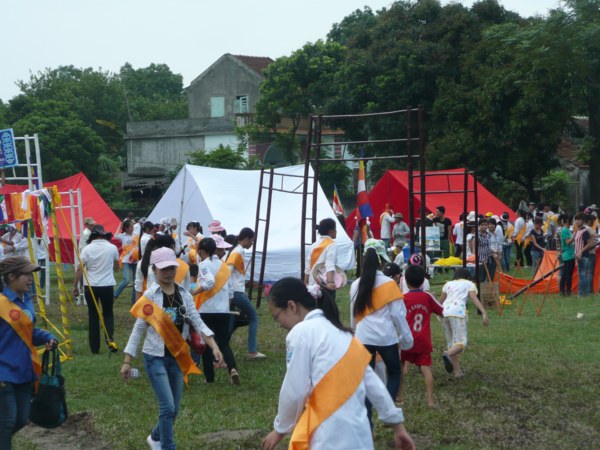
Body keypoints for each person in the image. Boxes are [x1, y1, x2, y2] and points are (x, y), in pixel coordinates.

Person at [262, 277, 415, 450]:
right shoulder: (345, 336)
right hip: (360, 438)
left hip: (328, 437)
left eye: (276, 317)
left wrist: (280, 429)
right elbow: (374, 385)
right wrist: (397, 426)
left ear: (291, 306)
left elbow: (295, 390)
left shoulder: (300, 333)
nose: (279, 324)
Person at [121, 247, 222, 450]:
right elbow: (138, 329)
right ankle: (168, 446)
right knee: (167, 407)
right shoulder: (150, 296)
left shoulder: (184, 294)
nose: (168, 273)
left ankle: (155, 437)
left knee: (174, 409)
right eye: (164, 269)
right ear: (154, 270)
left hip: (177, 356)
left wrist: (214, 346)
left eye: (172, 268)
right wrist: (127, 360)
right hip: (154, 358)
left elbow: (197, 322)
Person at [350, 239, 413, 423]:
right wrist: (407, 339)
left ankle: (367, 421)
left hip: (363, 337)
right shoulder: (389, 283)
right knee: (394, 372)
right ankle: (387, 409)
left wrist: (354, 333)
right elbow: (398, 315)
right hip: (386, 338)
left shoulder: (356, 284)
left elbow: (353, 313)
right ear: (381, 260)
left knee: (366, 379)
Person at [0, 257, 58, 450]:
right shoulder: (1, 303)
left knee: (21, 419)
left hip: (24, 371)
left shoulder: (27, 301)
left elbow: (29, 332)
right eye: (26, 274)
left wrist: (47, 337)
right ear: (11, 276)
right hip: (3, 372)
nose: (31, 278)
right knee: (7, 421)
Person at [192, 237, 239, 384]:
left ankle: (209, 378)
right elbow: (230, 291)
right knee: (223, 343)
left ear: (202, 251)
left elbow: (210, 282)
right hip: (223, 310)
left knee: (207, 344)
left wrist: (195, 292)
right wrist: (227, 306)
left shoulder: (203, 264)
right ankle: (232, 368)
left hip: (207, 309)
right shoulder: (224, 266)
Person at [398, 265, 443, 407]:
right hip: (423, 340)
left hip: (406, 339)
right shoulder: (427, 297)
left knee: (400, 366)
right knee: (426, 368)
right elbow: (441, 310)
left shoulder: (403, 298)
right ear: (423, 281)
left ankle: (400, 396)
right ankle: (430, 400)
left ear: (406, 282)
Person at [72, 225, 119, 354]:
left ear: (92, 235)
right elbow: (116, 267)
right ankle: (110, 340)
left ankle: (94, 347)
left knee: (93, 315)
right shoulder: (112, 248)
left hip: (91, 286)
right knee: (108, 313)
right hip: (107, 285)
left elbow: (79, 268)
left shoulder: (87, 249)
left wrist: (75, 286)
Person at [438, 268, 489, 379]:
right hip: (457, 313)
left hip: (443, 313)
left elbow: (439, 302)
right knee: (461, 343)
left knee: (452, 343)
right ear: (468, 277)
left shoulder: (448, 284)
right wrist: (483, 312)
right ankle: (447, 354)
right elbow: (474, 298)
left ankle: (457, 372)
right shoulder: (469, 284)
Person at [226, 227, 265, 359]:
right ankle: (252, 351)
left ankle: (222, 347)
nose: (252, 243)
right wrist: (230, 293)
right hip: (236, 292)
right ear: (246, 239)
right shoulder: (237, 252)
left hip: (233, 292)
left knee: (231, 321)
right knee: (253, 317)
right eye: (252, 240)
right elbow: (227, 273)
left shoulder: (237, 251)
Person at [135, 235, 190, 301]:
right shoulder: (183, 266)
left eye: (172, 268)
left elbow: (139, 288)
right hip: (178, 302)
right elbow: (187, 291)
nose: (169, 272)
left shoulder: (147, 264)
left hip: (152, 303)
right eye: (164, 269)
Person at [305, 218, 338, 299]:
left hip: (313, 282)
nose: (336, 231)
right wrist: (330, 282)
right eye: (335, 229)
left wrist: (306, 282)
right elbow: (330, 264)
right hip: (325, 282)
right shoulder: (332, 244)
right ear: (331, 231)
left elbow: (308, 266)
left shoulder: (314, 245)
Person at [114, 219, 139, 304]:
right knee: (126, 280)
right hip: (126, 260)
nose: (133, 228)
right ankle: (115, 295)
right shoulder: (122, 236)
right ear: (126, 228)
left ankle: (134, 300)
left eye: (133, 226)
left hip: (135, 260)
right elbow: (115, 235)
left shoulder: (136, 235)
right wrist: (119, 226)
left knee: (136, 281)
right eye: (131, 227)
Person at [559, 214, 575, 296]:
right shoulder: (565, 230)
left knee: (566, 274)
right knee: (567, 274)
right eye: (573, 220)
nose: (573, 222)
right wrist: (574, 236)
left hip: (571, 254)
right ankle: (567, 291)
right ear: (568, 220)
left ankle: (564, 291)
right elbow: (567, 242)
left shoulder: (567, 230)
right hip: (567, 255)